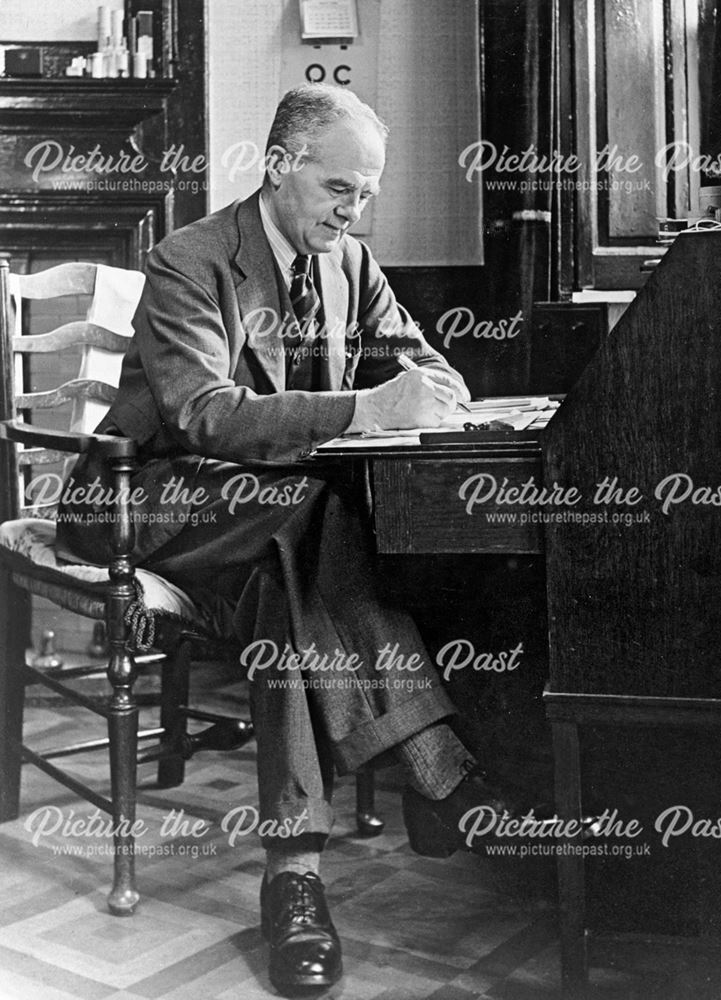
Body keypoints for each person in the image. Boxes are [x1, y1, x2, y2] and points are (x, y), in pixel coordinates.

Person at [58, 84, 543, 996]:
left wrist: (427, 390)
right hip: (144, 501)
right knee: (311, 518)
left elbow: (426, 362)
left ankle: (294, 876)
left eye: (366, 195)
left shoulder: (349, 261)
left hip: (269, 526)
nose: (355, 212)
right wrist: (364, 405)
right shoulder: (189, 259)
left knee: (293, 576)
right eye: (338, 190)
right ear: (279, 167)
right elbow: (203, 416)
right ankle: (439, 773)